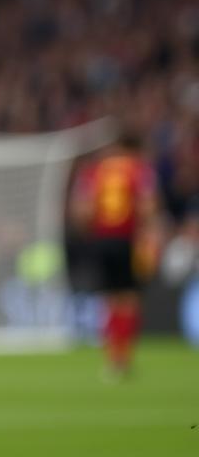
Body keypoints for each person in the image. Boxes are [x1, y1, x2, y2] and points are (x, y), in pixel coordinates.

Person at [72, 130, 159, 379]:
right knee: (129, 299)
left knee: (108, 300)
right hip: (127, 240)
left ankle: (111, 359)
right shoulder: (139, 170)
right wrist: (148, 235)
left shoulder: (95, 170)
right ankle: (124, 359)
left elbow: (83, 210)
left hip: (101, 240)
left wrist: (92, 233)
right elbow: (147, 205)